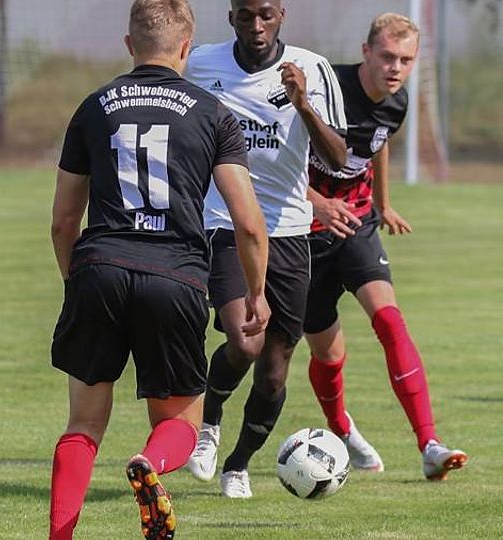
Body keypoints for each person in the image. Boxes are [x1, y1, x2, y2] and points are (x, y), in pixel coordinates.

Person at [47, 0, 270, 537]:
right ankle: (150, 462)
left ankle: (59, 535)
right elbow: (248, 223)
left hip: (99, 267)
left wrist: (77, 281)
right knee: (180, 423)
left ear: (129, 45)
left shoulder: (94, 106)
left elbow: (62, 222)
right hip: (174, 276)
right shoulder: (212, 113)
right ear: (186, 47)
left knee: (83, 424)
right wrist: (257, 291)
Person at [183, 0, 349, 498]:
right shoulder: (200, 64)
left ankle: (238, 465)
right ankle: (208, 423)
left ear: (282, 15)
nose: (256, 26)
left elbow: (338, 158)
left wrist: (303, 104)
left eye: (266, 15)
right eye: (246, 15)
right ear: (231, 15)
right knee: (245, 342)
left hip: (290, 232)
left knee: (274, 372)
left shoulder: (312, 69)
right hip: (226, 223)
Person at [303, 13, 467, 481]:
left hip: (357, 224)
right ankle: (342, 428)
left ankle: (429, 444)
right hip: (305, 233)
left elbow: (379, 143)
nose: (396, 68)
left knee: (390, 321)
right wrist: (316, 204)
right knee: (329, 355)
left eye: (406, 60)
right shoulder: (327, 89)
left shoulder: (398, 101)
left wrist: (384, 204)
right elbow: (276, 157)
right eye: (388, 57)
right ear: (366, 52)